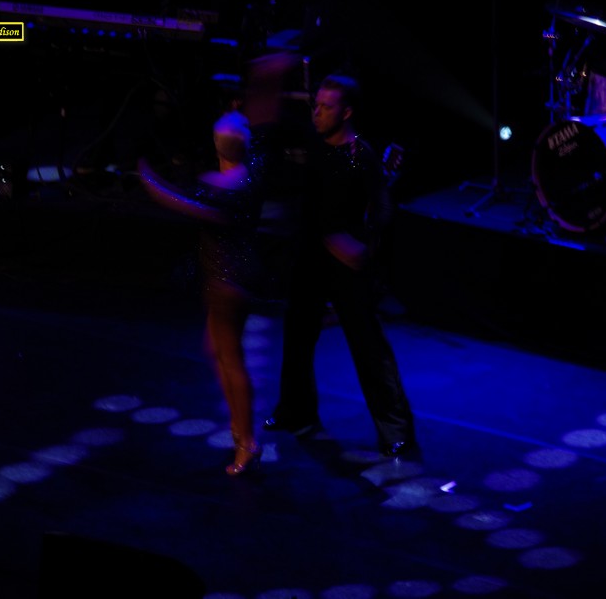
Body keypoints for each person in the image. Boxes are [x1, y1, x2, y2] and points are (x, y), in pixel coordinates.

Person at [261, 72, 418, 460]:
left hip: (345, 264)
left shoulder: (361, 155)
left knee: (368, 347)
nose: (317, 112)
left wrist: (363, 247)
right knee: (297, 338)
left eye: (326, 106)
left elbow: (381, 209)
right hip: (310, 257)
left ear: (346, 112)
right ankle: (296, 411)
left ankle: (396, 431)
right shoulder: (312, 145)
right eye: (316, 104)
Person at [138, 109, 267, 476]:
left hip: (227, 281)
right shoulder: (248, 176)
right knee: (216, 350)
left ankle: (246, 442)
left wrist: (152, 185)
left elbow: (187, 205)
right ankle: (240, 433)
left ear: (216, 145)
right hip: (235, 275)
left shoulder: (223, 186)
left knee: (231, 358)